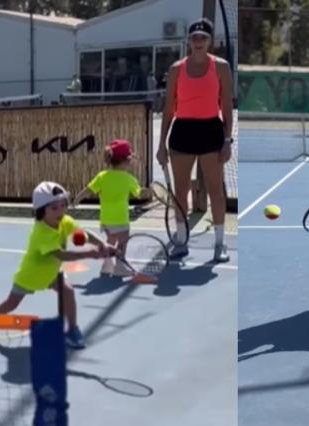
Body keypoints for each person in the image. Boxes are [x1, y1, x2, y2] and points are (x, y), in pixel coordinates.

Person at [0, 182, 114, 348]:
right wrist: (90, 254)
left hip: (52, 273)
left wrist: (102, 244)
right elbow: (61, 255)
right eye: (54, 208)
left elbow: (83, 233)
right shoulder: (42, 233)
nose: (60, 211)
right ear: (41, 211)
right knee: (10, 304)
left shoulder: (64, 221)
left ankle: (73, 331)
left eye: (63, 205)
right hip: (31, 275)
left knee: (68, 292)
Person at [156, 17, 234, 263]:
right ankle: (181, 241)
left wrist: (227, 140)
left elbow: (227, 107)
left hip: (211, 130)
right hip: (183, 132)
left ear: (210, 41)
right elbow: (169, 108)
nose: (198, 42)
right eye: (194, 38)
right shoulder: (177, 69)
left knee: (216, 190)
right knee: (180, 191)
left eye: (203, 38)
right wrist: (161, 145)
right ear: (189, 41)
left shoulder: (221, 67)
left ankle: (220, 244)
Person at [73, 139, 146, 277]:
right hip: (121, 218)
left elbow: (88, 190)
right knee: (122, 243)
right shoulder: (129, 179)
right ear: (126, 161)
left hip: (106, 219)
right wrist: (148, 191)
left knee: (110, 241)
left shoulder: (102, 176)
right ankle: (119, 267)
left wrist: (77, 199)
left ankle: (107, 265)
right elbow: (139, 193)